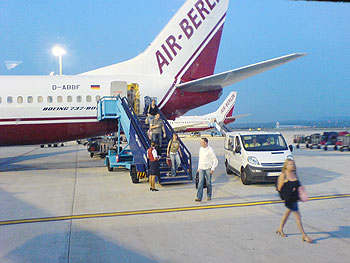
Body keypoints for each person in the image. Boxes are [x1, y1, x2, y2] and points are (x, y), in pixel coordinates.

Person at [276, 159, 313, 243]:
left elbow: (297, 184)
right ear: (286, 166)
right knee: (298, 217)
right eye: (290, 164)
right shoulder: (283, 175)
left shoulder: (294, 173)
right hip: (289, 199)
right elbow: (279, 188)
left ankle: (280, 229)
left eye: (293, 164)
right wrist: (289, 188)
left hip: (294, 198)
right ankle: (304, 235)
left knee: (287, 213)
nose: (292, 166)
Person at [195, 137, 218, 202]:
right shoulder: (200, 149)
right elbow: (200, 159)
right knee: (200, 182)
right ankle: (199, 197)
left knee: (208, 183)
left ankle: (209, 195)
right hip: (201, 168)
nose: (200, 143)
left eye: (202, 142)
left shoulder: (210, 150)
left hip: (208, 168)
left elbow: (215, 160)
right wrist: (198, 168)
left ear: (206, 143)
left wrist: (212, 168)